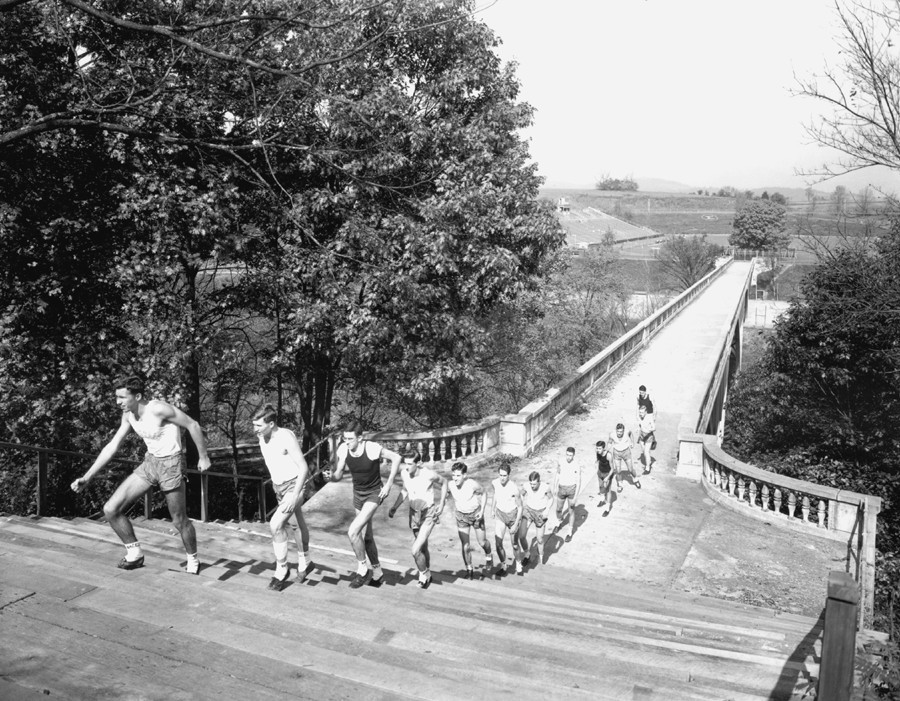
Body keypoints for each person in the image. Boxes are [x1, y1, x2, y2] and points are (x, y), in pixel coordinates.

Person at [70, 375, 211, 573]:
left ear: (137, 396)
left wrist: (203, 457)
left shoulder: (159, 409)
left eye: (122, 397)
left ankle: (193, 559)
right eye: (117, 397)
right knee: (111, 509)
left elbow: (193, 425)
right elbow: (112, 446)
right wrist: (87, 476)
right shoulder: (128, 414)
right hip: (150, 462)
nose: (118, 402)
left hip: (171, 464)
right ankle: (134, 554)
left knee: (179, 520)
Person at [324, 421, 401, 589]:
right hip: (358, 495)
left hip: (374, 494)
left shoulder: (371, 448)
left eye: (350, 439)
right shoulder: (344, 449)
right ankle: (378, 572)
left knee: (353, 531)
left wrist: (388, 485)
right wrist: (331, 475)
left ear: (360, 438)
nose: (347, 442)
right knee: (367, 537)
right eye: (345, 438)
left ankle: (362, 569)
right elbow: (338, 473)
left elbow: (397, 458)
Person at [252, 405, 315, 592]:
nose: (255, 429)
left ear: (271, 424)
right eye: (253, 425)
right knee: (295, 523)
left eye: (258, 425)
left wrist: (295, 495)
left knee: (275, 525)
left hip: (295, 485)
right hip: (278, 486)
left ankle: (281, 570)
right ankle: (305, 562)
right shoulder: (261, 437)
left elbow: (304, 467)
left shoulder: (286, 437)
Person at [387, 450, 447, 589]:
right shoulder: (404, 473)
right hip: (414, 514)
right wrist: (395, 507)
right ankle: (428, 574)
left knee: (415, 550)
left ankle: (423, 575)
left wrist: (442, 503)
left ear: (418, 463)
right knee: (423, 547)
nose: (406, 467)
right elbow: (405, 490)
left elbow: (444, 483)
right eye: (404, 464)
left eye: (409, 464)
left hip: (428, 514)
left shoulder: (428, 475)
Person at [448, 461, 494, 580]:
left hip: (475, 515)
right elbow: (444, 494)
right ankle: (469, 569)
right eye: (453, 475)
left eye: (458, 475)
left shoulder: (472, 484)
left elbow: (484, 493)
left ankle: (489, 556)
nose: (455, 478)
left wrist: (482, 510)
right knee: (465, 546)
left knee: (482, 542)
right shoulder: (450, 485)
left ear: (464, 475)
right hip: (461, 516)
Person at [489, 462, 523, 576]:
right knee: (498, 543)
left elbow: (520, 507)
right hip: (500, 515)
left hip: (513, 516)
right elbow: (495, 495)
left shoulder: (514, 489)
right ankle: (503, 566)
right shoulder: (495, 483)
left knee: (515, 544)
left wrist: (516, 524)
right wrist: (492, 509)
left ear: (509, 475)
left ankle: (518, 563)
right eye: (500, 475)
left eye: (504, 476)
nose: (502, 478)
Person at [516, 471, 554, 569]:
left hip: (540, 513)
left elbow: (551, 499)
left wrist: (547, 510)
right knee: (521, 535)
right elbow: (521, 495)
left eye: (534, 484)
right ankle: (527, 554)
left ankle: (540, 560)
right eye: (531, 484)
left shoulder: (545, 487)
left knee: (540, 539)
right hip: (528, 511)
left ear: (539, 482)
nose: (532, 486)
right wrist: (519, 506)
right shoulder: (526, 486)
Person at [553, 447, 581, 542]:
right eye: (567, 455)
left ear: (573, 455)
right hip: (561, 488)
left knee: (571, 511)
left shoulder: (576, 465)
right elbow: (557, 474)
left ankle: (569, 531)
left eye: (570, 455)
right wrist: (555, 486)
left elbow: (578, 481)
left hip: (571, 489)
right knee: (558, 509)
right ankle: (559, 522)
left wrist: (576, 497)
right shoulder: (561, 461)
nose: (568, 457)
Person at [609, 422, 641, 490]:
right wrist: (606, 451)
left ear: (623, 431)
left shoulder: (627, 432)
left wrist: (632, 442)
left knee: (630, 469)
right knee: (618, 470)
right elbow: (609, 442)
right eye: (618, 431)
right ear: (616, 430)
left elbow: (631, 434)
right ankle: (620, 484)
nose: (619, 433)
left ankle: (636, 479)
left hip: (626, 452)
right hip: (616, 453)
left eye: (621, 431)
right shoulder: (612, 434)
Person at [595, 440, 615, 516]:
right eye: (597, 448)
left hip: (608, 474)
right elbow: (598, 459)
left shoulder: (609, 455)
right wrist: (596, 462)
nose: (598, 450)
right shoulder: (597, 452)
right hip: (600, 472)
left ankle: (607, 508)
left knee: (608, 491)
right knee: (601, 487)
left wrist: (608, 477)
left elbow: (613, 469)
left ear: (603, 448)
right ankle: (602, 500)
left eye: (600, 448)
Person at [637, 404, 657, 475]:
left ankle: (647, 468)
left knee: (646, 452)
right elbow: (640, 425)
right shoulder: (639, 417)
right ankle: (649, 461)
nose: (641, 414)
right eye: (640, 412)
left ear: (646, 412)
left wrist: (649, 430)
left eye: (642, 412)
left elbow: (654, 428)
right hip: (642, 436)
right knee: (644, 451)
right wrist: (639, 431)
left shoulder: (649, 418)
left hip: (648, 436)